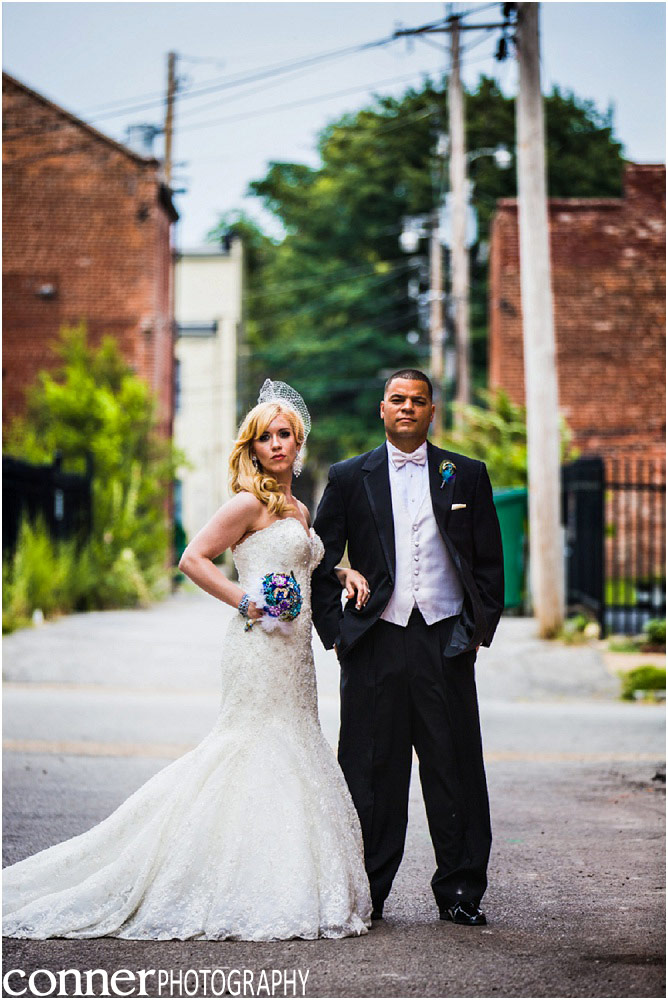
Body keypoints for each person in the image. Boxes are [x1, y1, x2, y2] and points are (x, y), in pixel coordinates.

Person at [3, 380, 372, 941]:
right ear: (251, 449)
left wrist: (342, 571)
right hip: (257, 647)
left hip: (295, 656)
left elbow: (308, 565)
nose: (276, 445)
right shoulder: (248, 504)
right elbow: (192, 558)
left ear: (299, 445)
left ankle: (273, 872)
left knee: (294, 745)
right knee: (253, 747)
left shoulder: (298, 507)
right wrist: (246, 600)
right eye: (265, 437)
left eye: (286, 435)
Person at [311, 369, 504, 927]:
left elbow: (489, 564)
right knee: (371, 769)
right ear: (382, 408)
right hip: (375, 642)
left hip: (444, 639)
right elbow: (319, 559)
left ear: (431, 412)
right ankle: (366, 891)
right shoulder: (350, 477)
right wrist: (338, 635)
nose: (407, 408)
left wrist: (472, 634)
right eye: (398, 399)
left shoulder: (464, 475)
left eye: (418, 401)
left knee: (455, 767)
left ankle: (461, 890)